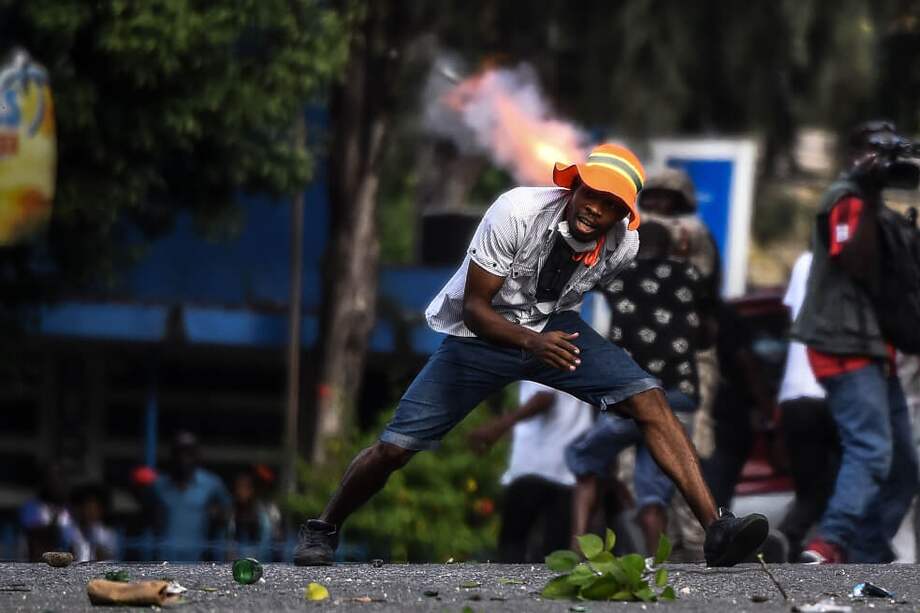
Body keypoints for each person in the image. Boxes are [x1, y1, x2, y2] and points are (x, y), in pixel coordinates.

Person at [294, 143, 768, 567]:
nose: (595, 211)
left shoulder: (624, 244)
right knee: (394, 449)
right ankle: (323, 528)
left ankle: (717, 529)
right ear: (575, 186)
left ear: (622, 214)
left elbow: (626, 300)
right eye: (592, 196)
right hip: (480, 334)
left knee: (650, 399)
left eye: (610, 205)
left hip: (554, 330)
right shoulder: (516, 211)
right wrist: (531, 343)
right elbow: (477, 308)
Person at [791, 121, 920, 563]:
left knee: (905, 467)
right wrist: (866, 191)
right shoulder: (846, 198)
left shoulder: (875, 206)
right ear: (853, 155)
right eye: (871, 152)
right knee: (871, 450)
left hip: (876, 348)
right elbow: (857, 262)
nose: (881, 162)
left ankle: (866, 553)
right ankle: (829, 545)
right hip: (843, 342)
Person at [565, 221, 709, 555]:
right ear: (672, 247)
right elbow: (707, 334)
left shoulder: (621, 275)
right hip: (680, 393)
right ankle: (653, 565)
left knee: (585, 459)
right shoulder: (690, 277)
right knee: (653, 490)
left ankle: (576, 548)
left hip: (633, 391)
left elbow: (580, 281)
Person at [466, 381, 594, 562]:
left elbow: (544, 395)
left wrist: (500, 425)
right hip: (567, 468)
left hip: (535, 464)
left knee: (513, 545)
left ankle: (511, 589)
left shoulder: (541, 354)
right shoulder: (579, 355)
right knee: (554, 552)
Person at [775, 252, 838, 560]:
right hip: (835, 389)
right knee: (847, 479)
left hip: (794, 392)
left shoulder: (802, 262)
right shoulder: (856, 261)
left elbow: (792, 315)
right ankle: (829, 547)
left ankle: (790, 538)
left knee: (809, 491)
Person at [149, 431, 232, 561]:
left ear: (197, 456)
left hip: (198, 561)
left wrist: (217, 516)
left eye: (189, 453)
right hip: (163, 561)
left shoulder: (212, 483)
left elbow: (228, 512)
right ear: (172, 455)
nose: (183, 458)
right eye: (179, 452)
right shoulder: (158, 485)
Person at [19, 463, 79, 561]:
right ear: (44, 481)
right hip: (39, 565)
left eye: (60, 477)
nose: (56, 482)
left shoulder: (69, 509)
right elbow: (35, 536)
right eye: (51, 478)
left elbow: (74, 540)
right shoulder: (32, 506)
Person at [227, 471, 273, 561]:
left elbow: (266, 542)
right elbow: (227, 541)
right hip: (234, 562)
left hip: (257, 562)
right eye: (238, 487)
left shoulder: (262, 513)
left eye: (244, 487)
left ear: (252, 490)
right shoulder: (231, 512)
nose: (240, 491)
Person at [70, 484, 118, 562]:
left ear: (101, 510)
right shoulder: (70, 530)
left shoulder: (108, 533)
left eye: (94, 508)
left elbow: (109, 556)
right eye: (87, 508)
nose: (90, 512)